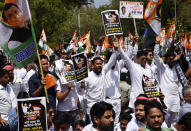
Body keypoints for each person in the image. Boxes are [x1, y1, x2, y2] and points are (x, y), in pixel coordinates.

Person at [82, 37, 119, 119]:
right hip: (91, 105)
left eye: (100, 64)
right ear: (92, 65)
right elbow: (82, 90)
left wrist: (116, 50)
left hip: (102, 105)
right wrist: (82, 86)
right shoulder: (87, 76)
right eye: (97, 64)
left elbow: (112, 61)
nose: (99, 65)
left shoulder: (103, 72)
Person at [154, 36, 183, 127]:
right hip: (165, 98)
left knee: (174, 121)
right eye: (169, 59)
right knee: (164, 121)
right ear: (166, 59)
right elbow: (156, 55)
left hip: (175, 99)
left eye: (173, 59)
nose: (171, 60)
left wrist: (181, 97)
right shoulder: (163, 67)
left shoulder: (177, 69)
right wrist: (157, 43)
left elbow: (179, 85)